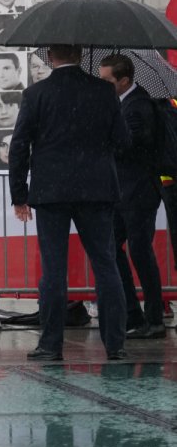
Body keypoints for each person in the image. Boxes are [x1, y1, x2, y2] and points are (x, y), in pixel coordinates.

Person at [9, 43, 130, 361]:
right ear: (80, 55)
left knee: (53, 270)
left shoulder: (36, 95)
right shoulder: (104, 92)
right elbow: (123, 140)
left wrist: (19, 195)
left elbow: (19, 146)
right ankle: (115, 344)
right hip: (96, 191)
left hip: (52, 193)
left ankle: (51, 344)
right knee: (106, 266)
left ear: (50, 57)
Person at [97, 54, 166, 340]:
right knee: (112, 249)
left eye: (107, 81)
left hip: (138, 193)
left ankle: (154, 318)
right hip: (122, 192)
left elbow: (132, 146)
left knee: (140, 252)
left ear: (124, 80)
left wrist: (105, 137)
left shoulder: (138, 106)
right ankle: (133, 314)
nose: (102, 86)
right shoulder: (121, 103)